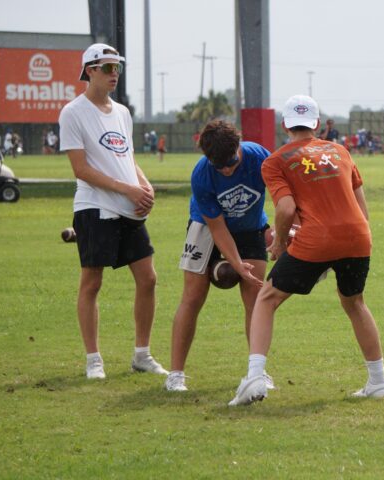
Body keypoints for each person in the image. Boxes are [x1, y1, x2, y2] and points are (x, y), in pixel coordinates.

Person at [228, 94, 384, 406]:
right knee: (355, 303)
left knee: (266, 297)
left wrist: (279, 243)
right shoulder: (340, 151)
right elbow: (361, 208)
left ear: (284, 126)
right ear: (316, 124)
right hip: (358, 235)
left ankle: (255, 377)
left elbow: (286, 209)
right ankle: (378, 381)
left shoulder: (275, 161)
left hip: (318, 239)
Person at [58, 43, 166, 379]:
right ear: (89, 71)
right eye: (107, 68)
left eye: (117, 67)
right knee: (92, 283)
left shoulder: (122, 112)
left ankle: (142, 355)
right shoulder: (72, 112)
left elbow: (128, 158)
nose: (114, 73)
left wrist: (145, 185)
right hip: (94, 206)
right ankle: (94, 360)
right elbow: (81, 170)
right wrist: (127, 189)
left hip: (128, 207)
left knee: (148, 279)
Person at [164, 120, 271, 391]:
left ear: (239, 146)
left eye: (231, 161)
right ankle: (175, 374)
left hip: (250, 226)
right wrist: (236, 264)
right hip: (206, 227)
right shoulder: (202, 175)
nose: (226, 169)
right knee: (193, 295)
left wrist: (280, 230)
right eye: (219, 165)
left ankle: (257, 373)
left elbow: (285, 194)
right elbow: (218, 227)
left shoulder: (260, 157)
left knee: (256, 298)